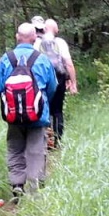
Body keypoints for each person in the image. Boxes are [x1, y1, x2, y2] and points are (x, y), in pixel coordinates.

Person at [0, 22, 58, 197]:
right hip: (38, 114)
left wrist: (12, 101)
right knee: (36, 150)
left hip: (13, 115)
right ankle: (34, 187)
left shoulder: (6, 59)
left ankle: (17, 184)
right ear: (35, 37)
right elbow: (52, 86)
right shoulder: (42, 59)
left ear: (17, 37)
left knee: (15, 148)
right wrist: (42, 102)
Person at [37, 18, 77, 147]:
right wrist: (73, 83)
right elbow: (69, 64)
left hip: (42, 80)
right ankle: (58, 141)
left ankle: (46, 140)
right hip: (59, 79)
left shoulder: (37, 43)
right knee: (58, 110)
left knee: (45, 109)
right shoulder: (60, 42)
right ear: (55, 30)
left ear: (43, 29)